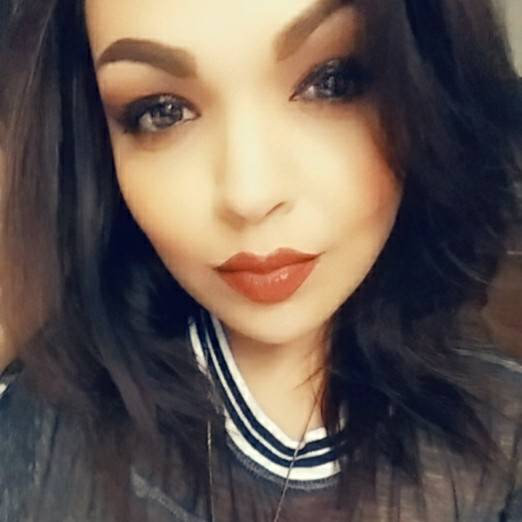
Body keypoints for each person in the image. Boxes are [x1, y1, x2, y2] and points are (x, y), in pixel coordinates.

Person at [0, 0, 521, 520]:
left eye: (331, 81)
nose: (250, 195)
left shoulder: (503, 439)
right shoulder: (51, 423)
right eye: (162, 111)